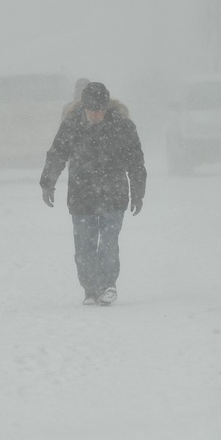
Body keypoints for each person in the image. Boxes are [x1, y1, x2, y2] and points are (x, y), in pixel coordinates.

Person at [40, 81, 146, 306]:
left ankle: (108, 286)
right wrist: (47, 183)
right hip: (81, 195)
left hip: (114, 194)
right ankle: (89, 288)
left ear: (107, 107)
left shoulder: (123, 127)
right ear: (84, 107)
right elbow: (57, 154)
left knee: (108, 242)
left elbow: (135, 161)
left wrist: (138, 191)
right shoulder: (71, 126)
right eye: (92, 110)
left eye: (100, 110)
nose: (96, 115)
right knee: (84, 245)